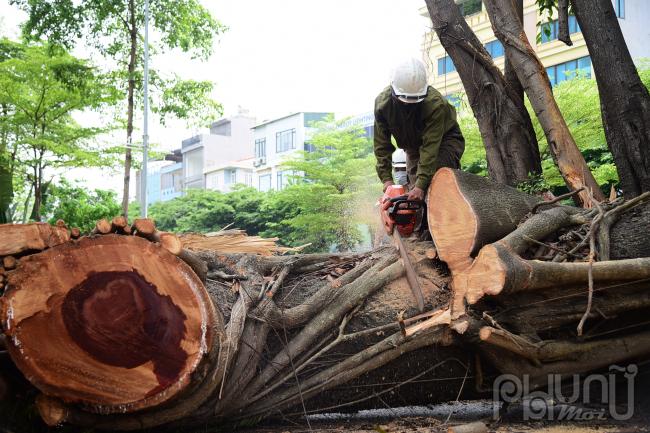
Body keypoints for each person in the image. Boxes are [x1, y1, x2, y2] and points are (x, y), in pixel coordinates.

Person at [374, 58, 465, 201]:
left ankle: (444, 219)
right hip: (412, 146)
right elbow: (381, 145)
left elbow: (430, 147)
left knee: (432, 183)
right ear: (394, 90)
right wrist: (387, 180)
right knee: (413, 193)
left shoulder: (435, 104)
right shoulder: (382, 105)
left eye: (414, 102)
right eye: (404, 101)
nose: (408, 106)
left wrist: (420, 186)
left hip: (444, 141)